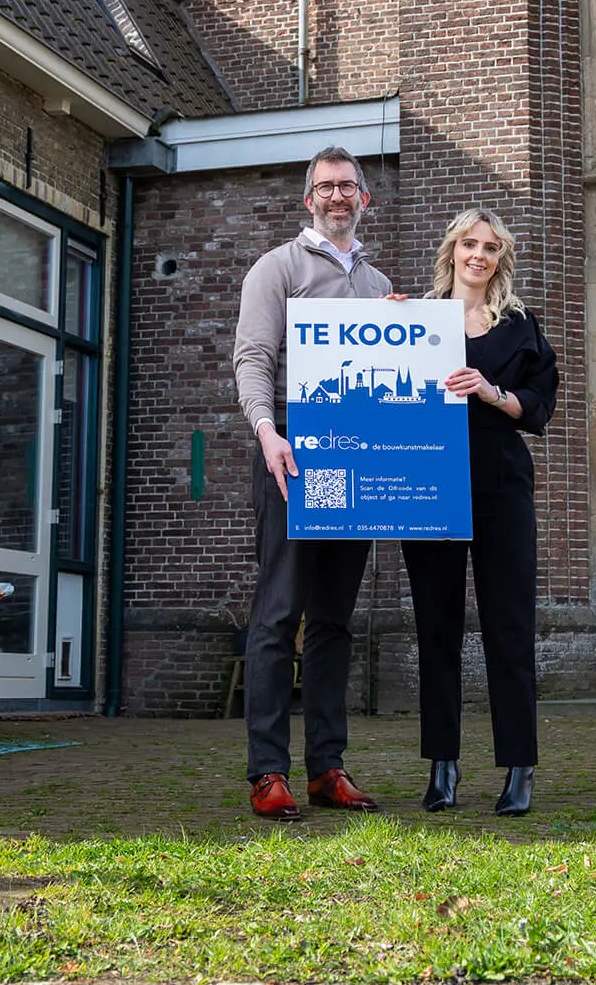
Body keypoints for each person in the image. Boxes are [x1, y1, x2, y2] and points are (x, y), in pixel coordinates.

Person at [229, 147, 393, 820]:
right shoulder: (278, 267)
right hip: (295, 451)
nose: (337, 195)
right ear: (308, 199)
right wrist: (268, 433)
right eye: (325, 185)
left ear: (365, 199)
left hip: (354, 455)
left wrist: (408, 329)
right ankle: (268, 770)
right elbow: (254, 357)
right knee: (278, 613)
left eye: (348, 185)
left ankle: (328, 765)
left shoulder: (381, 285)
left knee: (333, 620)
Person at [401, 207, 558, 816]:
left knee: (509, 625)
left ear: (500, 258)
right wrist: (378, 317)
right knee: (436, 626)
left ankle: (519, 766)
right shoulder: (417, 319)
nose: (479, 254)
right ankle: (443, 765)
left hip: (500, 483)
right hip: (428, 481)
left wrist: (493, 393)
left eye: (491, 246)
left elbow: (542, 402)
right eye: (470, 243)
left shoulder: (520, 326)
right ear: (452, 252)